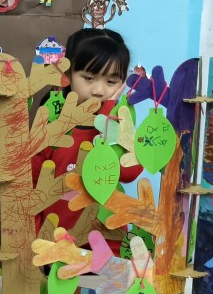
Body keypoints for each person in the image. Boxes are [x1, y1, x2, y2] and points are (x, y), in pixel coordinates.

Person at [30, 28, 143, 250]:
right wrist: (35, 244)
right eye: (89, 78)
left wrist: (107, 113)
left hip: (109, 243)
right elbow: (30, 189)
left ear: (122, 83)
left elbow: (128, 173)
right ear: (68, 74)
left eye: (111, 81)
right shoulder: (50, 127)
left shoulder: (120, 124)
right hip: (57, 244)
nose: (99, 90)